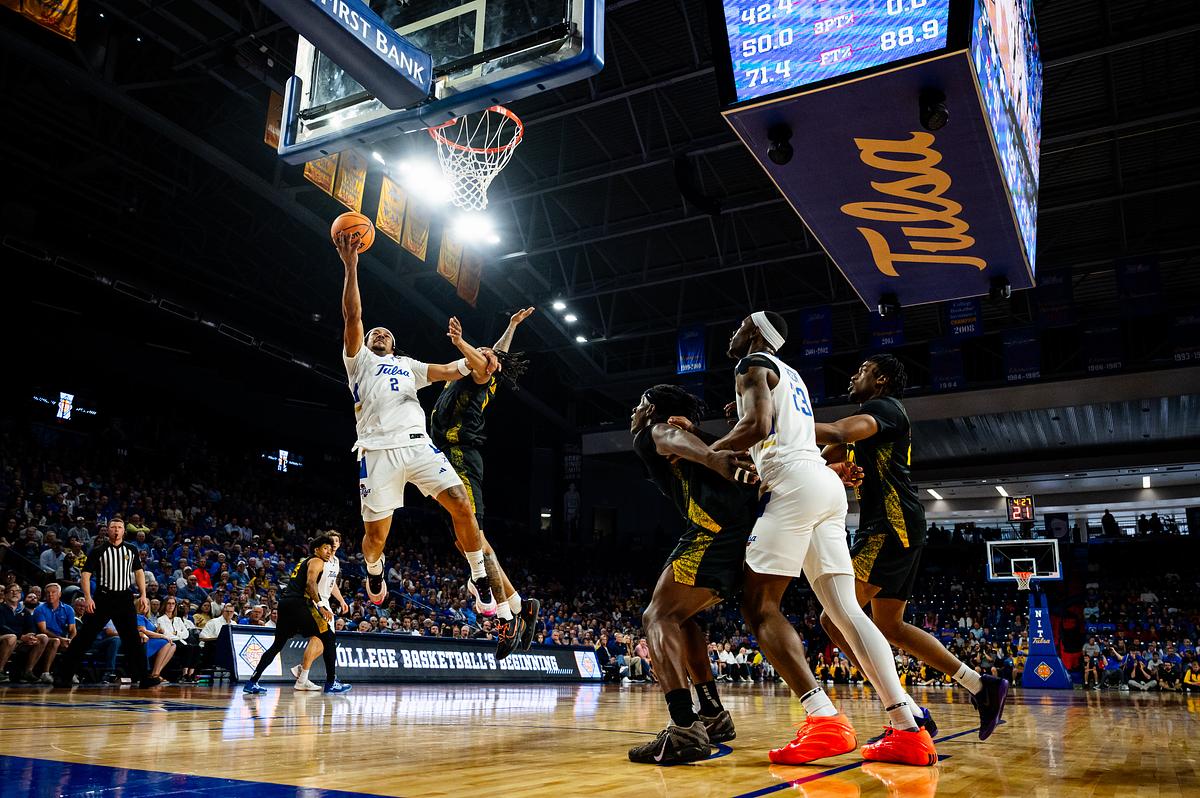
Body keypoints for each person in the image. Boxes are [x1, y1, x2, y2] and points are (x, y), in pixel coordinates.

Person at [707, 312, 937, 767]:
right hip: (824, 487)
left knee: (760, 605)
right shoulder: (792, 376)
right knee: (846, 611)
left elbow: (755, 428)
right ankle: (907, 729)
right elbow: (775, 429)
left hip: (795, 485)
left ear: (755, 334)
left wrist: (703, 454)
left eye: (737, 326)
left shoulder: (751, 364)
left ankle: (823, 717)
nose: (731, 333)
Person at [334, 232, 527, 661]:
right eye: (374, 332)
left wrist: (471, 352)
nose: (378, 333)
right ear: (365, 344)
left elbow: (465, 369)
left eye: (385, 332)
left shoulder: (410, 367)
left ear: (395, 345)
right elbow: (352, 316)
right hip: (377, 452)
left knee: (461, 502)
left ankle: (480, 578)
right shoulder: (358, 362)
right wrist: (351, 266)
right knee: (375, 538)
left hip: (420, 447)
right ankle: (373, 570)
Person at [814, 354, 1008, 741]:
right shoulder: (867, 429)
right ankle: (980, 687)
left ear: (882, 380)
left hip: (890, 525)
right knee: (889, 625)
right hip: (893, 525)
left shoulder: (883, 408)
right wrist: (836, 467)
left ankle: (908, 710)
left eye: (863, 370)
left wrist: (776, 419)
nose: (853, 375)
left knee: (833, 618)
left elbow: (835, 433)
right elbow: (825, 456)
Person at [626, 384, 760, 764]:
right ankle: (713, 714)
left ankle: (685, 727)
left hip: (711, 533)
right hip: (735, 538)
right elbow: (695, 442)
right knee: (680, 619)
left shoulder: (651, 432)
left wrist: (709, 457)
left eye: (640, 403)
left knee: (657, 616)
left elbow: (666, 434)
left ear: (652, 409)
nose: (634, 411)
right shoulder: (699, 440)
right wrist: (709, 449)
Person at [430, 308, 540, 653]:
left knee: (474, 538)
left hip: (461, 454)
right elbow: (496, 353)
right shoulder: (479, 367)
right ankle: (521, 606)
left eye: (488, 357)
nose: (485, 354)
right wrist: (510, 325)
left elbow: (486, 361)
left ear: (490, 368)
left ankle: (509, 616)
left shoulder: (480, 375)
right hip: (444, 456)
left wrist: (461, 341)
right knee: (465, 542)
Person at [54, 518, 158, 688]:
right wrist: (88, 597)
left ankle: (143, 677)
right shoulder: (98, 550)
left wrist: (144, 594)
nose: (116, 530)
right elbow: (86, 574)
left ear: (124, 530)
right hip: (103, 597)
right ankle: (63, 676)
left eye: (119, 527)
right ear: (107, 530)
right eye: (113, 527)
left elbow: (139, 571)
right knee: (84, 637)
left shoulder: (131, 549)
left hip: (124, 598)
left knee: (132, 638)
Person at [242, 535, 337, 694]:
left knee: (277, 645)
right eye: (325, 548)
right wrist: (321, 606)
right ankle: (331, 682)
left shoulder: (303, 561)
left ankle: (252, 681)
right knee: (328, 637)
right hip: (299, 603)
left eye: (330, 549)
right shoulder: (316, 561)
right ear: (316, 550)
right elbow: (310, 583)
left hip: (285, 603)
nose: (328, 552)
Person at [287, 530, 351, 694]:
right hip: (315, 601)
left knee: (323, 643)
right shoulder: (321, 559)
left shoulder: (335, 561)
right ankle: (308, 677)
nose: (334, 543)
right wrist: (319, 603)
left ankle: (302, 671)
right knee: (321, 639)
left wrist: (342, 600)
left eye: (337, 540)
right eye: (331, 541)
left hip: (326, 601)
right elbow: (311, 581)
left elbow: (332, 584)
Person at [0, 584, 53, 684]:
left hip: (19, 640)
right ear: (5, 595)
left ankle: (28, 672)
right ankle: (0, 671)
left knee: (43, 638)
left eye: (18, 591)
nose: (15, 593)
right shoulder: (1, 608)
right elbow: (1, 627)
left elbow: (31, 627)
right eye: (11, 591)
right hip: (4, 638)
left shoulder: (24, 611)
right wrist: (21, 636)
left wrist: (31, 636)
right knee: (12, 637)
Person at [34, 583, 76, 682]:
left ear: (60, 594)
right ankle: (45, 673)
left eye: (54, 592)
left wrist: (71, 640)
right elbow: (43, 630)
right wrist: (61, 639)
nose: (50, 595)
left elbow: (73, 630)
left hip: (62, 638)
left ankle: (70, 673)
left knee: (75, 645)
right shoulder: (40, 609)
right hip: (45, 638)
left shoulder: (68, 609)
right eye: (48, 593)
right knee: (56, 641)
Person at [157, 596, 199, 683]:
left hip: (182, 641)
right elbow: (166, 634)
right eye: (169, 603)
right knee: (188, 648)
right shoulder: (160, 619)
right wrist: (179, 634)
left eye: (173, 604)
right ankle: (184, 675)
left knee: (197, 648)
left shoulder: (178, 619)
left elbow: (186, 634)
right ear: (165, 605)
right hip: (171, 643)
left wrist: (176, 633)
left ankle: (190, 675)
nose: (171, 605)